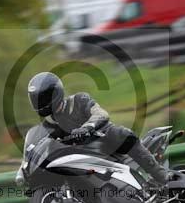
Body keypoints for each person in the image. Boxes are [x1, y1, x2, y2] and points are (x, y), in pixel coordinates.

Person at [27, 72, 169, 187]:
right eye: (36, 99)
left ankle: (162, 176)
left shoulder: (79, 100)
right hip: (81, 155)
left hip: (103, 140)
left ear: (55, 93)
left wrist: (87, 127)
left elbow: (101, 114)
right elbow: (43, 142)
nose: (40, 103)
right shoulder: (49, 124)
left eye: (43, 98)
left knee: (122, 134)